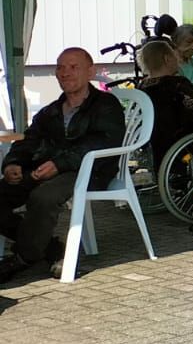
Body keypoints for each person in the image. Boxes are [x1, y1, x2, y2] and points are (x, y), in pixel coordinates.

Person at [0, 49, 126, 282]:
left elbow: (101, 142)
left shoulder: (106, 105)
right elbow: (29, 140)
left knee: (43, 197)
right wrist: (13, 163)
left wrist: (59, 163)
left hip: (90, 170)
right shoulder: (51, 111)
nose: (65, 73)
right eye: (60, 67)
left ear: (91, 72)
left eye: (73, 67)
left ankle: (23, 258)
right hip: (49, 170)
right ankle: (51, 249)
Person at [137, 39, 193, 163]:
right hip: (181, 140)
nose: (178, 60)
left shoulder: (142, 86)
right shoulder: (177, 84)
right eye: (174, 56)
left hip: (153, 140)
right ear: (167, 59)